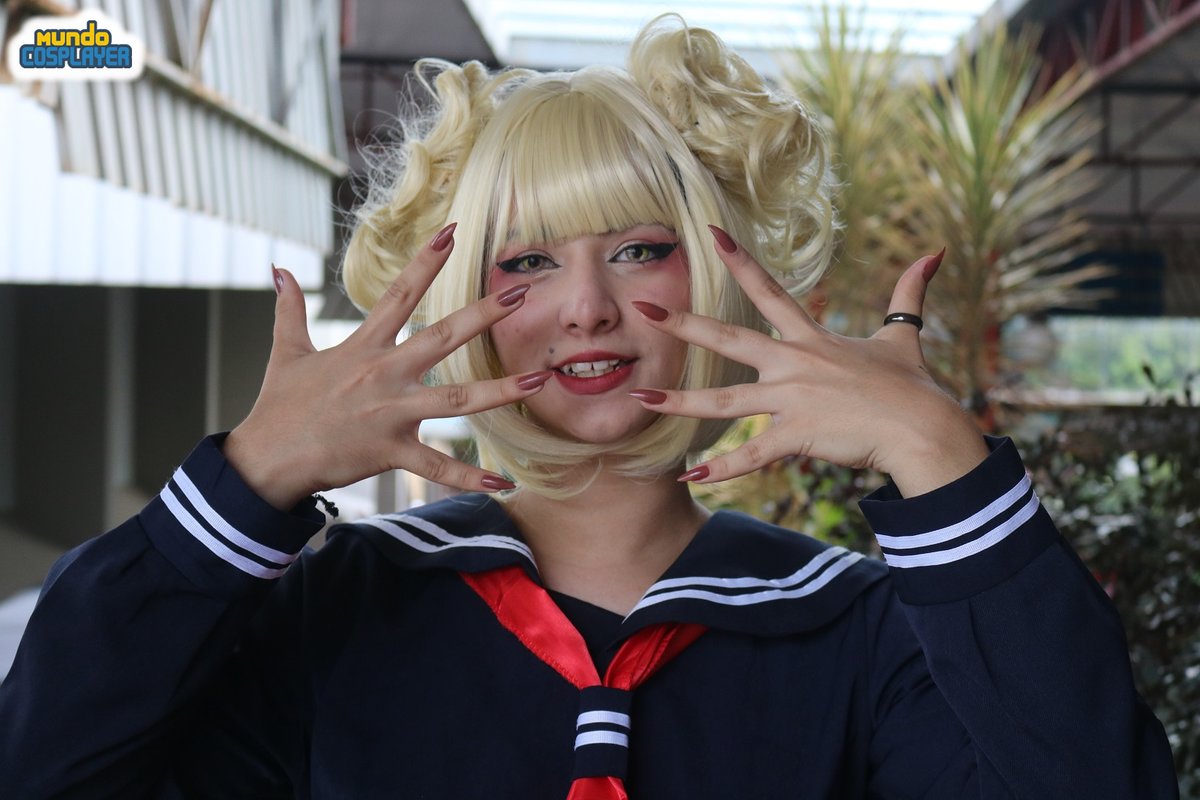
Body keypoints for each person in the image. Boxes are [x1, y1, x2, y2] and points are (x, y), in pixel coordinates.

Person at [0, 15, 1178, 800]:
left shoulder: (856, 632)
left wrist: (944, 462)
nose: (586, 309)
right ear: (459, 297)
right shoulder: (334, 609)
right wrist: (240, 487)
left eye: (639, 247)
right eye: (524, 262)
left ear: (716, 274)